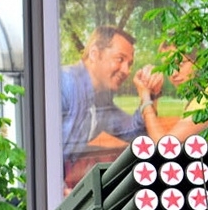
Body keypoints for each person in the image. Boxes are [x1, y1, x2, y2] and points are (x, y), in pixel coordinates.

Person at [60, 25, 160, 191]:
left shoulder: (101, 101)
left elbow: (137, 134)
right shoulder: (64, 84)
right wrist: (60, 190)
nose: (126, 71)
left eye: (130, 64)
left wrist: (149, 95)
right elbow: (40, 152)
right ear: (94, 54)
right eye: (120, 59)